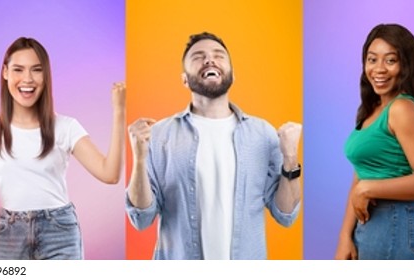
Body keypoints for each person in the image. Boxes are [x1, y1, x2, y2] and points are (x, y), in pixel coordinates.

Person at [124, 32, 303, 260]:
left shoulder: (263, 134)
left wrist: (290, 158)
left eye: (218, 55)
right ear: (184, 79)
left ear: (232, 75)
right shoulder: (159, 135)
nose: (210, 60)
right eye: (198, 57)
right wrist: (139, 159)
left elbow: (286, 215)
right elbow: (141, 219)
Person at [0, 37, 124, 260]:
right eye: (18, 70)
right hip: (9, 235)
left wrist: (119, 111)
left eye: (36, 70)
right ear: (5, 72)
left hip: (59, 232)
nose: (27, 79)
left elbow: (109, 174)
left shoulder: (65, 127)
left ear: (46, 76)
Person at [335, 24, 414, 260]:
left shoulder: (402, 108)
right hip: (371, 226)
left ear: (406, 65)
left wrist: (368, 188)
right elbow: (362, 173)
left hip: (394, 222)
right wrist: (345, 236)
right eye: (372, 59)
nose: (379, 69)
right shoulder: (373, 110)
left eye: (390, 60)